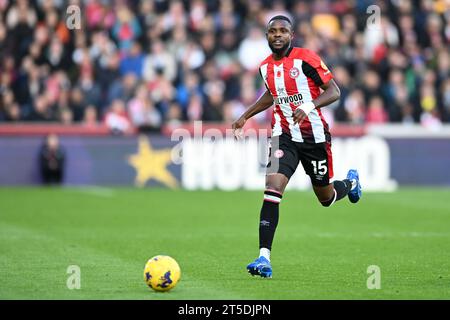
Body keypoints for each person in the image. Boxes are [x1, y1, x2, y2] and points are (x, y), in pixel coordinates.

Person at [232, 15, 362, 278]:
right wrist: (245, 115)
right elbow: (272, 94)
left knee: (325, 198)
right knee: (272, 187)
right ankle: (263, 258)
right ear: (267, 35)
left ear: (292, 35)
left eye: (283, 31)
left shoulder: (307, 59)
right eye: (272, 31)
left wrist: (308, 105)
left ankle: (350, 184)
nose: (277, 35)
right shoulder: (264, 67)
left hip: (314, 139)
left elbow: (334, 90)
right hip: (283, 136)